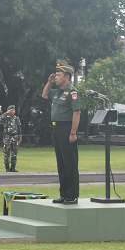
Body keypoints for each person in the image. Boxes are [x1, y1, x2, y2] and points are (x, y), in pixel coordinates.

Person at [42, 63, 81, 204]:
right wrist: (50, 82)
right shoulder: (57, 92)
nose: (56, 77)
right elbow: (44, 94)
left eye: (58, 75)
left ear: (67, 77)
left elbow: (76, 113)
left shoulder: (72, 92)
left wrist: (73, 133)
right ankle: (64, 193)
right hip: (57, 129)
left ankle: (72, 195)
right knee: (61, 163)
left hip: (67, 128)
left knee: (70, 163)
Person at [0, 105, 22, 172]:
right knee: (6, 153)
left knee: (14, 153)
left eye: (14, 110)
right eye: (11, 110)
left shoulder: (17, 118)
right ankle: (7, 168)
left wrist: (20, 138)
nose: (13, 111)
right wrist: (6, 113)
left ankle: (13, 167)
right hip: (7, 137)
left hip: (15, 137)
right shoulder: (5, 118)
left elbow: (19, 129)